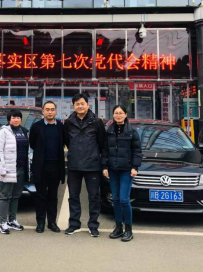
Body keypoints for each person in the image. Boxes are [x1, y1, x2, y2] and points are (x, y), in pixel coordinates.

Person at [63, 93, 106, 237]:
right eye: (77, 104)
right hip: (74, 165)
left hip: (92, 165)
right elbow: (67, 141)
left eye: (82, 103)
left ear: (88, 105)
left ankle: (93, 225)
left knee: (94, 197)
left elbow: (102, 143)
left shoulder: (96, 122)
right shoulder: (69, 122)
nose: (80, 106)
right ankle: (74, 224)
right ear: (73, 106)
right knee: (73, 196)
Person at [102, 105, 142, 242]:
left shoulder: (132, 131)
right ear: (113, 115)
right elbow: (105, 150)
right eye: (116, 113)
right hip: (113, 170)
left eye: (121, 113)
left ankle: (128, 229)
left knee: (124, 199)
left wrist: (135, 167)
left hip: (126, 170)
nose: (118, 115)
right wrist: (104, 166)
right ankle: (118, 227)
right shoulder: (109, 130)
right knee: (116, 200)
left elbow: (137, 151)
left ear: (125, 115)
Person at [29, 101, 65, 233]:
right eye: (47, 109)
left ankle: (52, 223)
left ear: (56, 111)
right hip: (41, 167)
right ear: (43, 111)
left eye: (52, 109)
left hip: (55, 167)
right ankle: (40, 223)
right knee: (40, 196)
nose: (50, 112)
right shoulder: (36, 127)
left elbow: (63, 144)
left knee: (53, 196)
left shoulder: (60, 127)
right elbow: (32, 143)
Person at [0, 109, 29, 234]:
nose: (16, 120)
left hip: (21, 168)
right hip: (8, 169)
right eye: (13, 117)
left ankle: (12, 220)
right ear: (9, 119)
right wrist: (1, 168)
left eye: (18, 117)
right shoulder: (3, 132)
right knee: (5, 196)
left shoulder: (24, 131)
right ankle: (3, 223)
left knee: (16, 196)